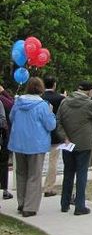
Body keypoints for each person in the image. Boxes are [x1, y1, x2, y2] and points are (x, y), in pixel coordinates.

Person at [56, 81, 92, 216]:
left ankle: (65, 203)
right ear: (89, 91)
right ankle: (80, 206)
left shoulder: (64, 102)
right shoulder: (89, 104)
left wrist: (64, 137)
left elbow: (58, 122)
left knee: (68, 173)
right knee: (81, 174)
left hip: (67, 143)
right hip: (84, 144)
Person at [8, 77, 56, 217]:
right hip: (36, 144)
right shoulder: (42, 106)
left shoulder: (18, 103)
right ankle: (29, 206)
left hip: (18, 143)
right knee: (34, 176)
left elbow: (12, 118)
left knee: (21, 174)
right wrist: (51, 113)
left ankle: (21, 202)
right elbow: (51, 125)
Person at [41, 76, 65, 197]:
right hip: (55, 132)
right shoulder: (60, 98)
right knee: (53, 161)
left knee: (38, 161)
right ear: (54, 84)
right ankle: (48, 187)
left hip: (41, 132)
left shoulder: (40, 98)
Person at [0, 84, 14, 200]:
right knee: (3, 163)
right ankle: (4, 189)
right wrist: (3, 92)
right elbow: (11, 104)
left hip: (4, 136)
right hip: (3, 136)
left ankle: (4, 189)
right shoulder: (3, 100)